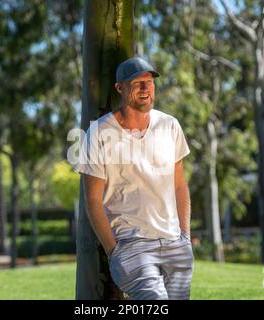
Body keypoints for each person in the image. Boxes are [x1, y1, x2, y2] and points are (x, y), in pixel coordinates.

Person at [75, 57, 194, 300]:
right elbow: (92, 199)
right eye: (137, 82)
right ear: (120, 88)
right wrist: (113, 250)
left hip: (175, 244)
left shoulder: (170, 126)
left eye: (149, 82)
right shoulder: (98, 133)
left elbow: (179, 185)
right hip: (132, 246)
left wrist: (185, 237)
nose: (145, 88)